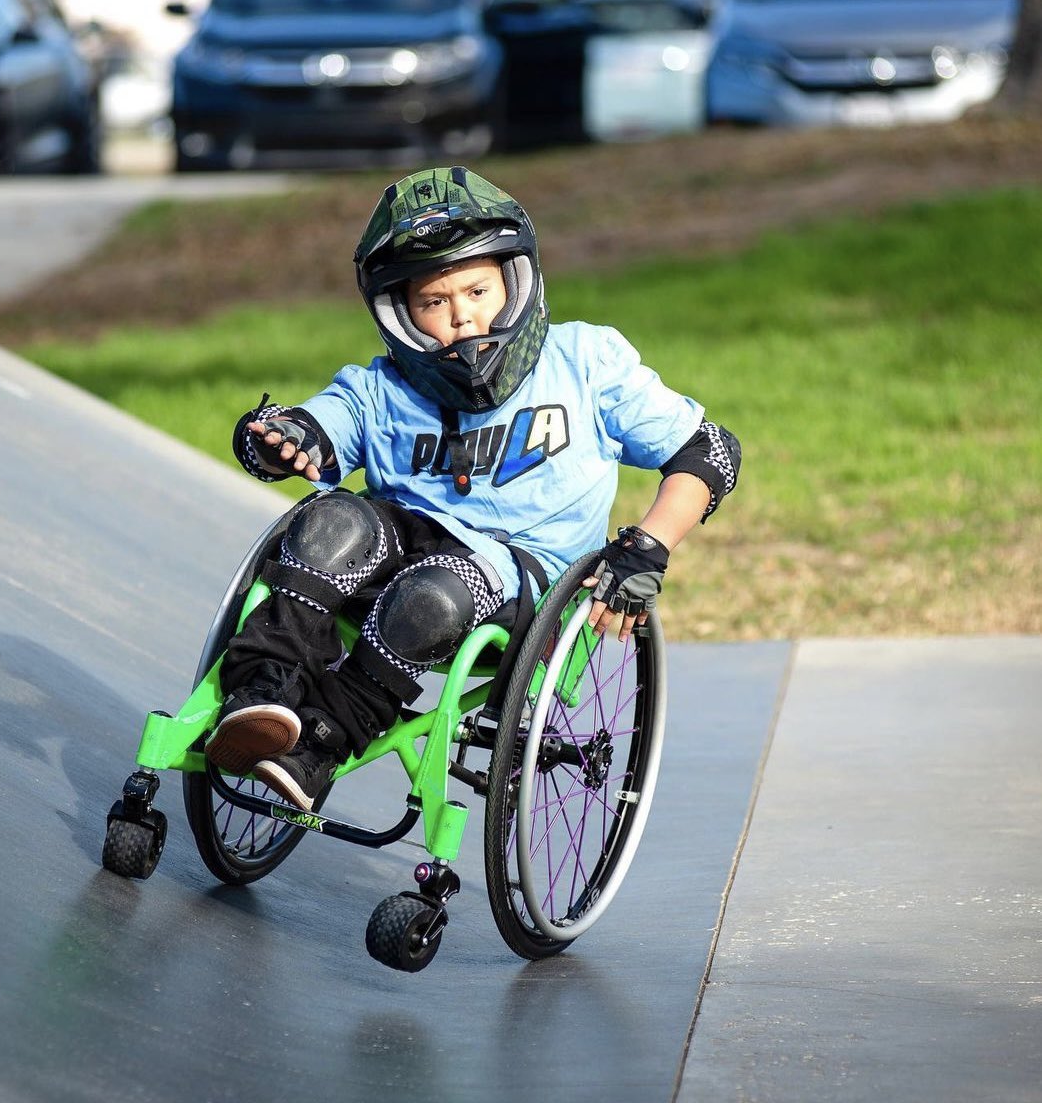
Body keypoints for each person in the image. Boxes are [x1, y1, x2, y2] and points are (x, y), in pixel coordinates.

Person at [205, 166, 741, 811]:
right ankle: (261, 693)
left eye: (478, 290)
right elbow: (322, 426)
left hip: (523, 582)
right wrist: (280, 436)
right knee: (328, 522)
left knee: (432, 592)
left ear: (517, 283)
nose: (462, 317)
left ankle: (321, 743)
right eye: (434, 303)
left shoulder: (586, 363)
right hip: (396, 555)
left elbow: (708, 451)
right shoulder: (381, 389)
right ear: (401, 315)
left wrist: (648, 547)